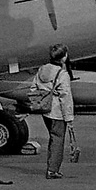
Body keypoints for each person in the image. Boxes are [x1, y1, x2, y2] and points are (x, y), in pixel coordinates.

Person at [31, 43, 74, 179]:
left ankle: (51, 166)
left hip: (45, 110)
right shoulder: (62, 74)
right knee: (58, 140)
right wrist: (69, 117)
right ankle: (52, 170)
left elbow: (33, 88)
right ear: (64, 57)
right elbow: (65, 97)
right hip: (57, 112)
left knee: (52, 137)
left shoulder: (42, 69)